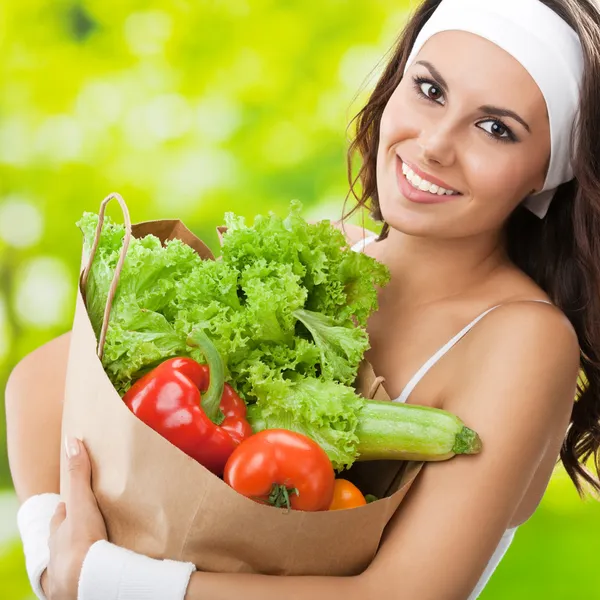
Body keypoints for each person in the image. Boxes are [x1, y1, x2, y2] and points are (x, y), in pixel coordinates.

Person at [6, 0, 600, 598]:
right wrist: (55, 562)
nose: (436, 144)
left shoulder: (526, 339)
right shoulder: (325, 262)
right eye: (429, 89)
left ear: (546, 172)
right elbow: (37, 385)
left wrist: (103, 579)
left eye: (496, 128)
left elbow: (407, 595)